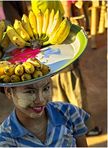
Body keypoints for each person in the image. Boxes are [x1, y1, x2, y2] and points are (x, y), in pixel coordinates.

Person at [0, 77, 89, 147]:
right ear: (9, 92)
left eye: (46, 88)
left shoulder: (69, 112)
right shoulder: (3, 141)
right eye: (29, 91)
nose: (40, 100)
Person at [51, 0, 102, 136]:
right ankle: (85, 127)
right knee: (75, 91)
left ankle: (66, 127)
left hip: (50, 49)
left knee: (59, 93)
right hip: (61, 43)